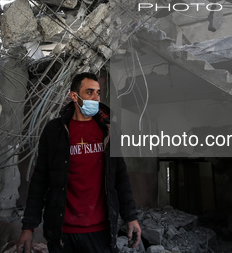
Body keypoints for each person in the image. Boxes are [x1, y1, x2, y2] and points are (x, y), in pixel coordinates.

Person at [16, 72, 141, 253]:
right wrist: (28, 226)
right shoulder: (54, 131)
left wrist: (131, 217)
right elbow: (39, 181)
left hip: (101, 231)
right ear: (74, 96)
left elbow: (120, 176)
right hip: (62, 233)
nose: (95, 98)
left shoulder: (109, 131)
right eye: (89, 92)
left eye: (98, 93)